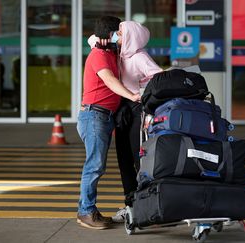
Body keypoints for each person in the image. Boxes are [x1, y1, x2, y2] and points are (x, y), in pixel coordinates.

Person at [88, 21, 162, 223]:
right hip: (123, 112)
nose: (115, 37)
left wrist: (140, 93)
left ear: (131, 38)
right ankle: (131, 203)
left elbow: (159, 78)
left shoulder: (139, 57)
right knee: (124, 161)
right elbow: (92, 39)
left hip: (136, 110)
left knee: (139, 160)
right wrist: (103, 37)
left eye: (120, 34)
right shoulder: (118, 53)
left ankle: (146, 204)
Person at [76, 16, 140, 230]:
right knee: (94, 166)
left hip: (104, 116)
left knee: (96, 165)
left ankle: (88, 210)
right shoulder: (99, 55)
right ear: (109, 36)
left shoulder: (109, 51)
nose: (121, 36)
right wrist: (132, 96)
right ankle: (86, 212)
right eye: (118, 33)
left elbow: (94, 38)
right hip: (94, 115)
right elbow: (110, 81)